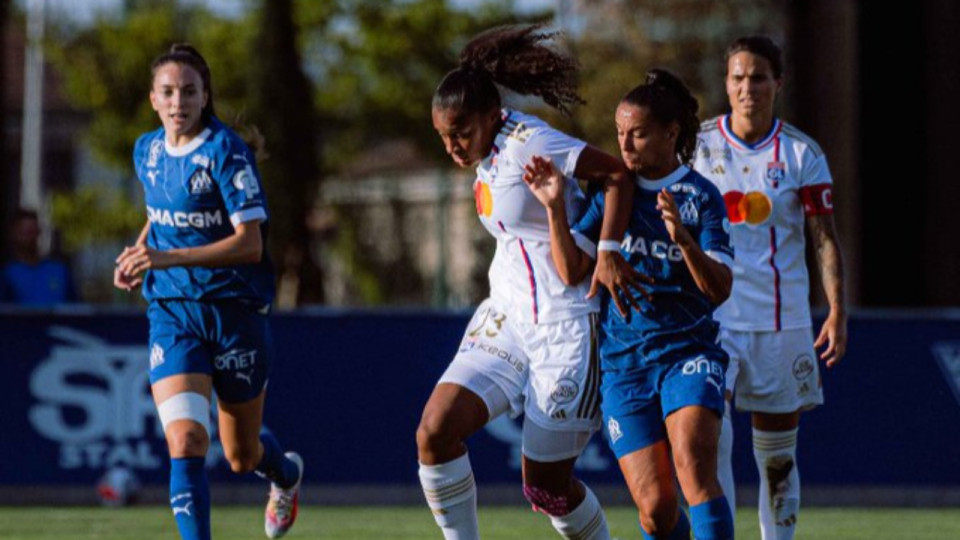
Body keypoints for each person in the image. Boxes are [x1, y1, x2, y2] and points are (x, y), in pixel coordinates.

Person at [415, 24, 640, 540]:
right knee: (434, 433)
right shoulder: (485, 153)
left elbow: (616, 175)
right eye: (444, 137)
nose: (452, 147)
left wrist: (605, 251)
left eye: (460, 133)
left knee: (545, 488)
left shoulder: (530, 142)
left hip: (566, 328)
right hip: (508, 316)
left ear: (492, 116)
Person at [525, 69, 736, 540]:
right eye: (620, 133)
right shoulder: (610, 194)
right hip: (624, 367)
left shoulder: (701, 198)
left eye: (638, 133)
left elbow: (719, 288)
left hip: (688, 355)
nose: (625, 144)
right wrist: (556, 208)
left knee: (694, 470)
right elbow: (572, 270)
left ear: (670, 133)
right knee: (656, 511)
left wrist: (684, 241)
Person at [113, 44, 303, 540]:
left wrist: (164, 256)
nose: (179, 101)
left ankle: (285, 475)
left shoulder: (226, 153)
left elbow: (249, 243)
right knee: (187, 439)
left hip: (234, 312)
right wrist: (138, 255)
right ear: (153, 99)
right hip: (173, 311)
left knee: (241, 456)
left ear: (205, 96)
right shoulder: (146, 151)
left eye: (190, 91)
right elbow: (159, 216)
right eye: (169, 92)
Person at [692, 35, 847, 540]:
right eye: (737, 77)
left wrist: (836, 311)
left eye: (758, 77)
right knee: (710, 439)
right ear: (726, 83)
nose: (747, 88)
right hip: (714, 323)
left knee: (777, 460)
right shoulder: (698, 146)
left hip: (782, 326)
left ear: (777, 83)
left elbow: (824, 240)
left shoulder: (802, 153)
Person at [0, 208, 78, 305]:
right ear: (14, 234)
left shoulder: (60, 271)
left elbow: (77, 310)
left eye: (32, 231)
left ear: (39, 232)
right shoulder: (7, 275)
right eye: (24, 232)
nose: (29, 237)